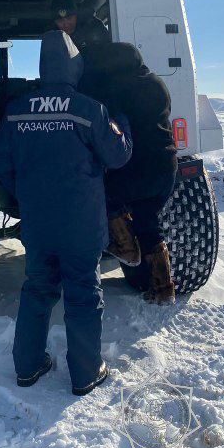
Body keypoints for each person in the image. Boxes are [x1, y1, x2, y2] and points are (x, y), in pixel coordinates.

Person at [0, 30, 132, 395]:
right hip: (81, 225)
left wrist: (25, 197)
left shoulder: (17, 111)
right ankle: (86, 373)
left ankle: (27, 366)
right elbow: (118, 156)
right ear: (75, 66)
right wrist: (123, 123)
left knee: (38, 288)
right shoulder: (89, 110)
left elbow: (1, 165)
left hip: (38, 223)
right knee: (83, 292)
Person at [80, 43, 178, 304]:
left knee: (107, 194)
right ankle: (164, 288)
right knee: (148, 222)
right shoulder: (157, 83)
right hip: (166, 166)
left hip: (137, 166)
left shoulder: (120, 88)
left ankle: (126, 247)